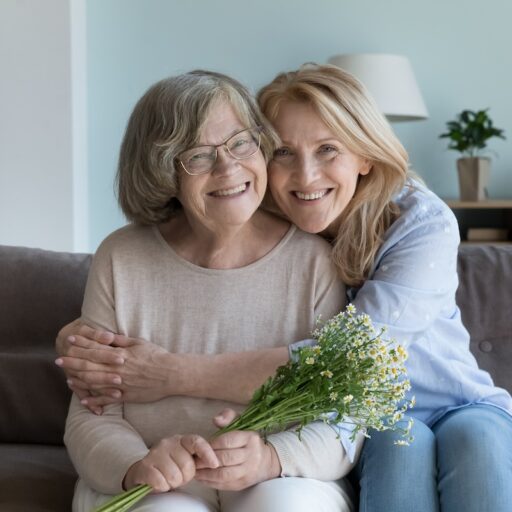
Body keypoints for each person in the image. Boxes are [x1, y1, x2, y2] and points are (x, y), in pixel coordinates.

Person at [57, 64, 512, 512]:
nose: (307, 176)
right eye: (284, 153)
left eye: (329, 149)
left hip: (446, 400)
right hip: (377, 420)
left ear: (366, 155)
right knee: (400, 452)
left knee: (477, 442)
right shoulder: (266, 209)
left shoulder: (414, 223)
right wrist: (78, 340)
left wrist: (170, 374)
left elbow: (347, 362)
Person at [63, 69, 361, 512]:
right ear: (162, 170)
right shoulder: (121, 257)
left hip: (280, 479)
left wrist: (273, 457)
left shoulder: (314, 261)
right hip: (152, 482)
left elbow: (343, 417)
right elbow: (91, 412)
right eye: (199, 156)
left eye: (241, 142)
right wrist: (137, 465)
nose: (229, 167)